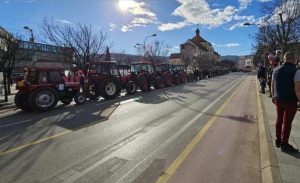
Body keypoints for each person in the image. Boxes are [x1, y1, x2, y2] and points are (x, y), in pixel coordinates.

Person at [272, 52, 299, 152]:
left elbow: (273, 84)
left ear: (284, 59)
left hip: (278, 99)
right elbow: (297, 90)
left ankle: (277, 140)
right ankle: (284, 144)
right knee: (287, 123)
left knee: (279, 120)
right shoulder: (296, 71)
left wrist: (273, 96)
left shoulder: (276, 70)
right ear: (294, 59)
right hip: (290, 101)